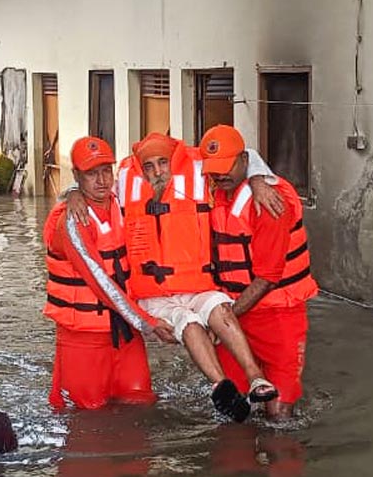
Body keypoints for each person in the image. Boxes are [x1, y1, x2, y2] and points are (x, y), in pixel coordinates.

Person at [119, 132, 278, 422]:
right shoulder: (122, 179)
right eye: (149, 166)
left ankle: (256, 378)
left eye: (162, 163)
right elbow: (89, 185)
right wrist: (73, 194)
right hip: (153, 294)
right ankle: (221, 387)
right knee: (188, 323)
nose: (157, 172)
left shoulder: (197, 168)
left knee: (220, 306)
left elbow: (244, 156)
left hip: (197, 284)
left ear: (173, 161)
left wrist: (258, 179)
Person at [44, 136, 176, 410]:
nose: (102, 180)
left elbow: (184, 158)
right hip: (84, 337)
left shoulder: (122, 202)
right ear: (77, 175)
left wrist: (258, 174)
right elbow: (100, 282)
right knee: (86, 418)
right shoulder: (71, 220)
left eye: (106, 171)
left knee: (140, 402)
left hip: (125, 332)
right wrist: (146, 322)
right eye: (92, 173)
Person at [200, 126, 318, 419]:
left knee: (279, 413)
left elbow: (267, 278)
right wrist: (74, 191)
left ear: (243, 160)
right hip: (233, 312)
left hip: (278, 315)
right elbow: (157, 160)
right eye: (213, 170)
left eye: (226, 168)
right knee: (233, 410)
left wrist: (223, 321)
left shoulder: (270, 203)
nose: (219, 176)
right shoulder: (216, 186)